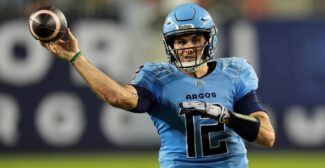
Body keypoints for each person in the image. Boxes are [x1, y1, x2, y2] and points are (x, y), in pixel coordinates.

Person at [41, 3, 275, 168]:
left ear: (209, 39)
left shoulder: (233, 73)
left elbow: (267, 137)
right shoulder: (157, 77)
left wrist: (225, 116)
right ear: (170, 46)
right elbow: (117, 97)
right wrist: (76, 57)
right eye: (181, 41)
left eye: (195, 39)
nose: (188, 47)